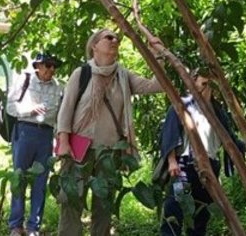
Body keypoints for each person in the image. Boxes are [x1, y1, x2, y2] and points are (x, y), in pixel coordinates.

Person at [55, 29, 164, 236]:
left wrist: (157, 54)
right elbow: (66, 109)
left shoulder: (124, 76)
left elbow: (157, 85)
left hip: (109, 152)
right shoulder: (82, 73)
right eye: (108, 37)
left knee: (104, 205)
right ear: (94, 45)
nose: (114, 40)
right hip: (78, 148)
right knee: (71, 201)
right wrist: (63, 141)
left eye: (117, 38)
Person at [158, 68, 245, 236]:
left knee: (200, 215)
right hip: (185, 166)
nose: (206, 88)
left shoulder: (217, 110)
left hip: (210, 169)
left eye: (210, 84)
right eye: (203, 83)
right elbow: (170, 134)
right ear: (193, 84)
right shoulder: (182, 105)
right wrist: (172, 161)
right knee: (175, 209)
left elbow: (230, 139)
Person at [7, 53, 64, 236]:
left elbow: (60, 117)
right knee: (19, 177)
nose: (51, 69)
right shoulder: (25, 81)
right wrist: (29, 109)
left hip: (46, 135)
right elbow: (10, 107)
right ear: (38, 65)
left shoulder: (59, 87)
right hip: (25, 131)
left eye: (54, 66)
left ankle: (34, 227)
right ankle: (15, 224)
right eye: (48, 65)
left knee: (40, 182)